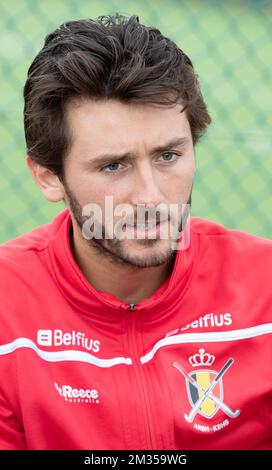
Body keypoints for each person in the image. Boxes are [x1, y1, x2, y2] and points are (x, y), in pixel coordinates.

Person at [0, 13, 271, 451]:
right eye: (113, 165)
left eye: (168, 156)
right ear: (49, 176)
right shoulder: (8, 311)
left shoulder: (264, 291)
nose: (151, 198)